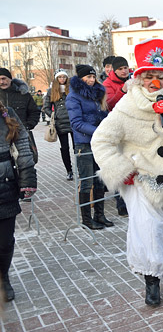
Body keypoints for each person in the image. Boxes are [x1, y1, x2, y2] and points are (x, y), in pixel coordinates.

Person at [92, 38, 163, 307]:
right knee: (148, 231)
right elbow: (101, 140)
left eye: (160, 77)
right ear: (139, 79)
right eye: (149, 76)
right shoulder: (127, 105)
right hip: (142, 180)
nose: (155, 82)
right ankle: (151, 280)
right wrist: (120, 169)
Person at [66, 65, 112, 230]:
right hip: (84, 143)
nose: (92, 80)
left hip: (99, 143)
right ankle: (86, 219)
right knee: (86, 182)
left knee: (100, 179)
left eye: (93, 77)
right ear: (81, 79)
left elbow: (102, 114)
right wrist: (99, 132)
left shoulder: (97, 94)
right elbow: (76, 123)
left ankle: (99, 215)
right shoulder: (74, 97)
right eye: (88, 78)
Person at [0, 101, 37, 302]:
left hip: (4, 184)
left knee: (4, 242)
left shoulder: (7, 113)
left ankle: (3, 276)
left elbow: (22, 145)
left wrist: (27, 179)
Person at [101, 56, 131, 216]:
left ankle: (134, 200)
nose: (124, 71)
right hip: (118, 128)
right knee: (121, 165)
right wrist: (123, 91)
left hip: (133, 126)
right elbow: (109, 103)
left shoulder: (133, 80)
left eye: (126, 67)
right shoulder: (107, 84)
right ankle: (121, 203)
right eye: (120, 69)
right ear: (114, 70)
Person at [0, 68, 41, 165]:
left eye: (4, 78)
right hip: (2, 139)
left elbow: (34, 112)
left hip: (21, 137)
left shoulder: (23, 94)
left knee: (26, 164)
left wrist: (27, 126)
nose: (1, 82)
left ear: (10, 79)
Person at [42, 69, 74, 180]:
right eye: (60, 77)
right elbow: (45, 107)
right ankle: (69, 170)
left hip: (73, 121)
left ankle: (81, 168)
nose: (62, 79)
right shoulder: (52, 91)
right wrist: (54, 116)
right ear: (56, 79)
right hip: (60, 123)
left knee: (77, 147)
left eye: (64, 77)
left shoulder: (71, 89)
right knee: (65, 148)